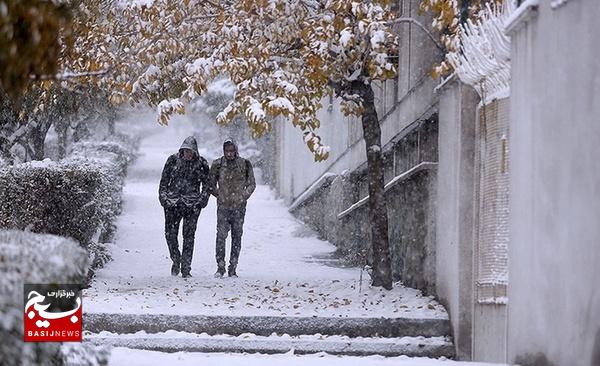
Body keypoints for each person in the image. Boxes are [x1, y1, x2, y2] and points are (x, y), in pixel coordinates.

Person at [159, 136, 210, 278]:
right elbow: (164, 181)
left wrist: (201, 201)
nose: (188, 154)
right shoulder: (172, 160)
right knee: (170, 235)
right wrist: (164, 198)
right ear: (181, 150)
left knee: (189, 236)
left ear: (195, 151)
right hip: (172, 204)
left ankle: (186, 267)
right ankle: (176, 259)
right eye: (185, 151)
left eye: (190, 151)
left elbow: (207, 185)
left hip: (192, 204)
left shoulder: (201, 163)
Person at [209, 138, 256, 278]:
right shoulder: (218, 164)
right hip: (223, 207)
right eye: (227, 151)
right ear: (223, 151)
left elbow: (252, 184)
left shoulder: (244, 164)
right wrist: (219, 195)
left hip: (239, 207)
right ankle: (220, 266)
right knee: (221, 237)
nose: (229, 154)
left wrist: (243, 196)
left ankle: (233, 267)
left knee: (237, 237)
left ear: (236, 150)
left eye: (231, 151)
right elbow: (210, 184)